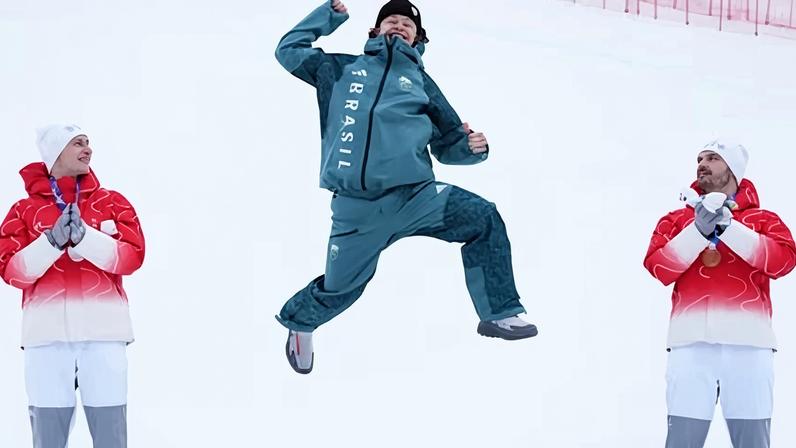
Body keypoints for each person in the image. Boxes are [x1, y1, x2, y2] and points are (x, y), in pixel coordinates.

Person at [274, 0, 537, 374]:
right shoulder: (339, 69)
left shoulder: (423, 86)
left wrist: (472, 149)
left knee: (483, 217)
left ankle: (500, 313)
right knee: (340, 290)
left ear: (418, 38)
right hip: (356, 208)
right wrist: (328, 17)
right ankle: (301, 324)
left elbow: (449, 144)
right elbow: (288, 51)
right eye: (391, 20)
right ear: (375, 31)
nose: (399, 25)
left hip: (415, 197)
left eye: (407, 24)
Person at [0, 124, 145, 447]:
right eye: (78, 143)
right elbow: (11, 271)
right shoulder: (21, 212)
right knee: (48, 438)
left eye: (88, 142)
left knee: (111, 436)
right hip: (46, 338)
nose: (88, 149)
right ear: (55, 152)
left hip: (105, 335)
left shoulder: (113, 202)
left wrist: (87, 239)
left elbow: (133, 257)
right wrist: (50, 243)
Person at [643, 140, 795, 448]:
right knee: (682, 442)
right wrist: (698, 231)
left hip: (750, 347)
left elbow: (783, 262)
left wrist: (730, 228)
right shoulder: (676, 219)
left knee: (753, 442)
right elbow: (659, 267)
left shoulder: (764, 220)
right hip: (690, 347)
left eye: (713, 158)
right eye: (700, 158)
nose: (702, 163)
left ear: (733, 169)